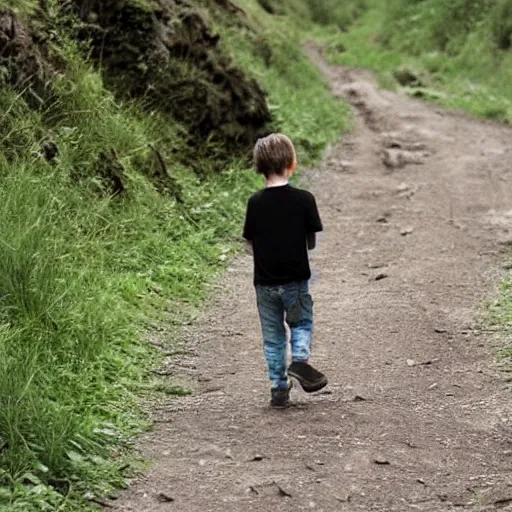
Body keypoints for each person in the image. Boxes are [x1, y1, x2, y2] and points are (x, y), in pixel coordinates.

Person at [243, 133, 328, 408]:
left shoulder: (254, 203)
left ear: (259, 168)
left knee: (273, 338)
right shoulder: (304, 199)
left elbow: (250, 242)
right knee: (301, 322)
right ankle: (300, 361)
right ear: (292, 164)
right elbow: (311, 241)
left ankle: (279, 389)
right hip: (295, 281)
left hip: (264, 284)